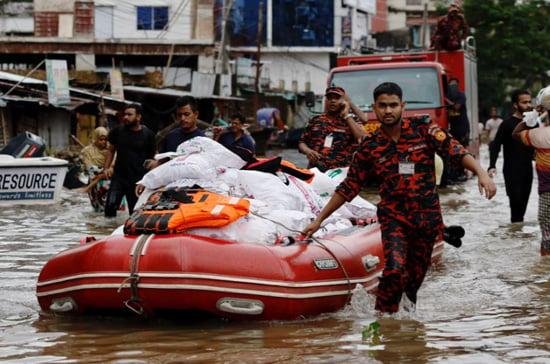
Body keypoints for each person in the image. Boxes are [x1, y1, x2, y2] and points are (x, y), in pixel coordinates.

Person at [302, 82, 496, 314]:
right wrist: (318, 221)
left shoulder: (423, 128)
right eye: (382, 106)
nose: (388, 111)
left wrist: (482, 173)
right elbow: (349, 186)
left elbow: (455, 151)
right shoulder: (370, 146)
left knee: (413, 282)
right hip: (394, 218)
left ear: (402, 106)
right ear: (374, 107)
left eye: (393, 105)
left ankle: (406, 325)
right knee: (394, 270)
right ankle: (383, 323)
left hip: (426, 219)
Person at [512, 85, 550, 256]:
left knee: (547, 240)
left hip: (547, 196)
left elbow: (516, 133)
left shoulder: (538, 136)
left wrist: (534, 114)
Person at [488, 89, 534, 223]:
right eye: (524, 102)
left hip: (527, 170)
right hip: (511, 170)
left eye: (529, 102)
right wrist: (491, 165)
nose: (528, 105)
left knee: (523, 206)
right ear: (515, 104)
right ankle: (516, 234)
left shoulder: (532, 124)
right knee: (516, 204)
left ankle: (518, 236)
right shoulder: (507, 124)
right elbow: (495, 146)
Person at [103, 103, 156, 217]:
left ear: (138, 117)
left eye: (129, 114)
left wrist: (149, 179)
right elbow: (111, 150)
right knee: (110, 209)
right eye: (125, 114)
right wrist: (106, 168)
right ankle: (107, 231)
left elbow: (152, 158)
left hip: (137, 179)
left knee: (135, 212)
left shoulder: (148, 135)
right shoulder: (118, 131)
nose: (126, 117)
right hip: (119, 176)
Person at [298, 86, 366, 171]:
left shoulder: (350, 120)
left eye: (337, 98)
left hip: (341, 172)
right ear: (326, 100)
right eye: (329, 98)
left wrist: (346, 114)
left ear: (343, 101)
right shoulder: (316, 120)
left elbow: (361, 136)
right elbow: (302, 142)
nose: (333, 101)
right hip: (316, 170)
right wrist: (308, 151)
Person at [79, 126, 114, 212]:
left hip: (112, 185)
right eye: (100, 139)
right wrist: (104, 171)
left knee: (116, 210)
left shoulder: (111, 150)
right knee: (98, 212)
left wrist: (108, 170)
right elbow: (90, 169)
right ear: (95, 139)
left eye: (105, 140)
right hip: (96, 186)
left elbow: (116, 167)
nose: (103, 142)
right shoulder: (87, 151)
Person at [446, 77, 470, 182]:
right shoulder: (446, 95)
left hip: (462, 128)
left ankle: (461, 173)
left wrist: (445, 100)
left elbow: (456, 107)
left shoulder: (461, 95)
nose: (453, 87)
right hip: (451, 128)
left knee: (461, 150)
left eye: (455, 84)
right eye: (451, 85)